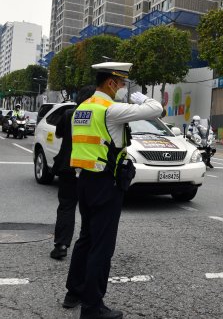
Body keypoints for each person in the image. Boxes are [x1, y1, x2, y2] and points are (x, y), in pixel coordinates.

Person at [62, 62, 162, 319]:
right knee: (102, 246)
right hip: (106, 184)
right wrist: (143, 98)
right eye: (120, 84)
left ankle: (73, 293)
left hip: (84, 181)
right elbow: (156, 109)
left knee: (86, 238)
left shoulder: (82, 108)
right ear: (110, 83)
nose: (121, 89)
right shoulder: (110, 109)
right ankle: (92, 307)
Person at [50, 85, 96, 260]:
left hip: (68, 166)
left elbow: (59, 133)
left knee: (67, 206)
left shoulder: (70, 113)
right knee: (91, 208)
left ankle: (61, 245)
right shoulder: (101, 115)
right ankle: (90, 245)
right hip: (91, 167)